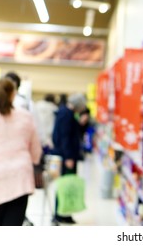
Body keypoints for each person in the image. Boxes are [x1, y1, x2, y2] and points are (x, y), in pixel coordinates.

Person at [0, 78, 42, 226]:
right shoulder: (25, 116)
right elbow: (36, 149)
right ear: (13, 94)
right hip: (20, 177)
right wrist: (36, 162)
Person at [52, 93, 87, 225]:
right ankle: (60, 213)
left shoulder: (65, 113)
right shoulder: (67, 114)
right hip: (67, 156)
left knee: (66, 184)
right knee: (65, 185)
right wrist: (68, 157)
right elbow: (65, 137)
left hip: (66, 154)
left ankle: (64, 212)